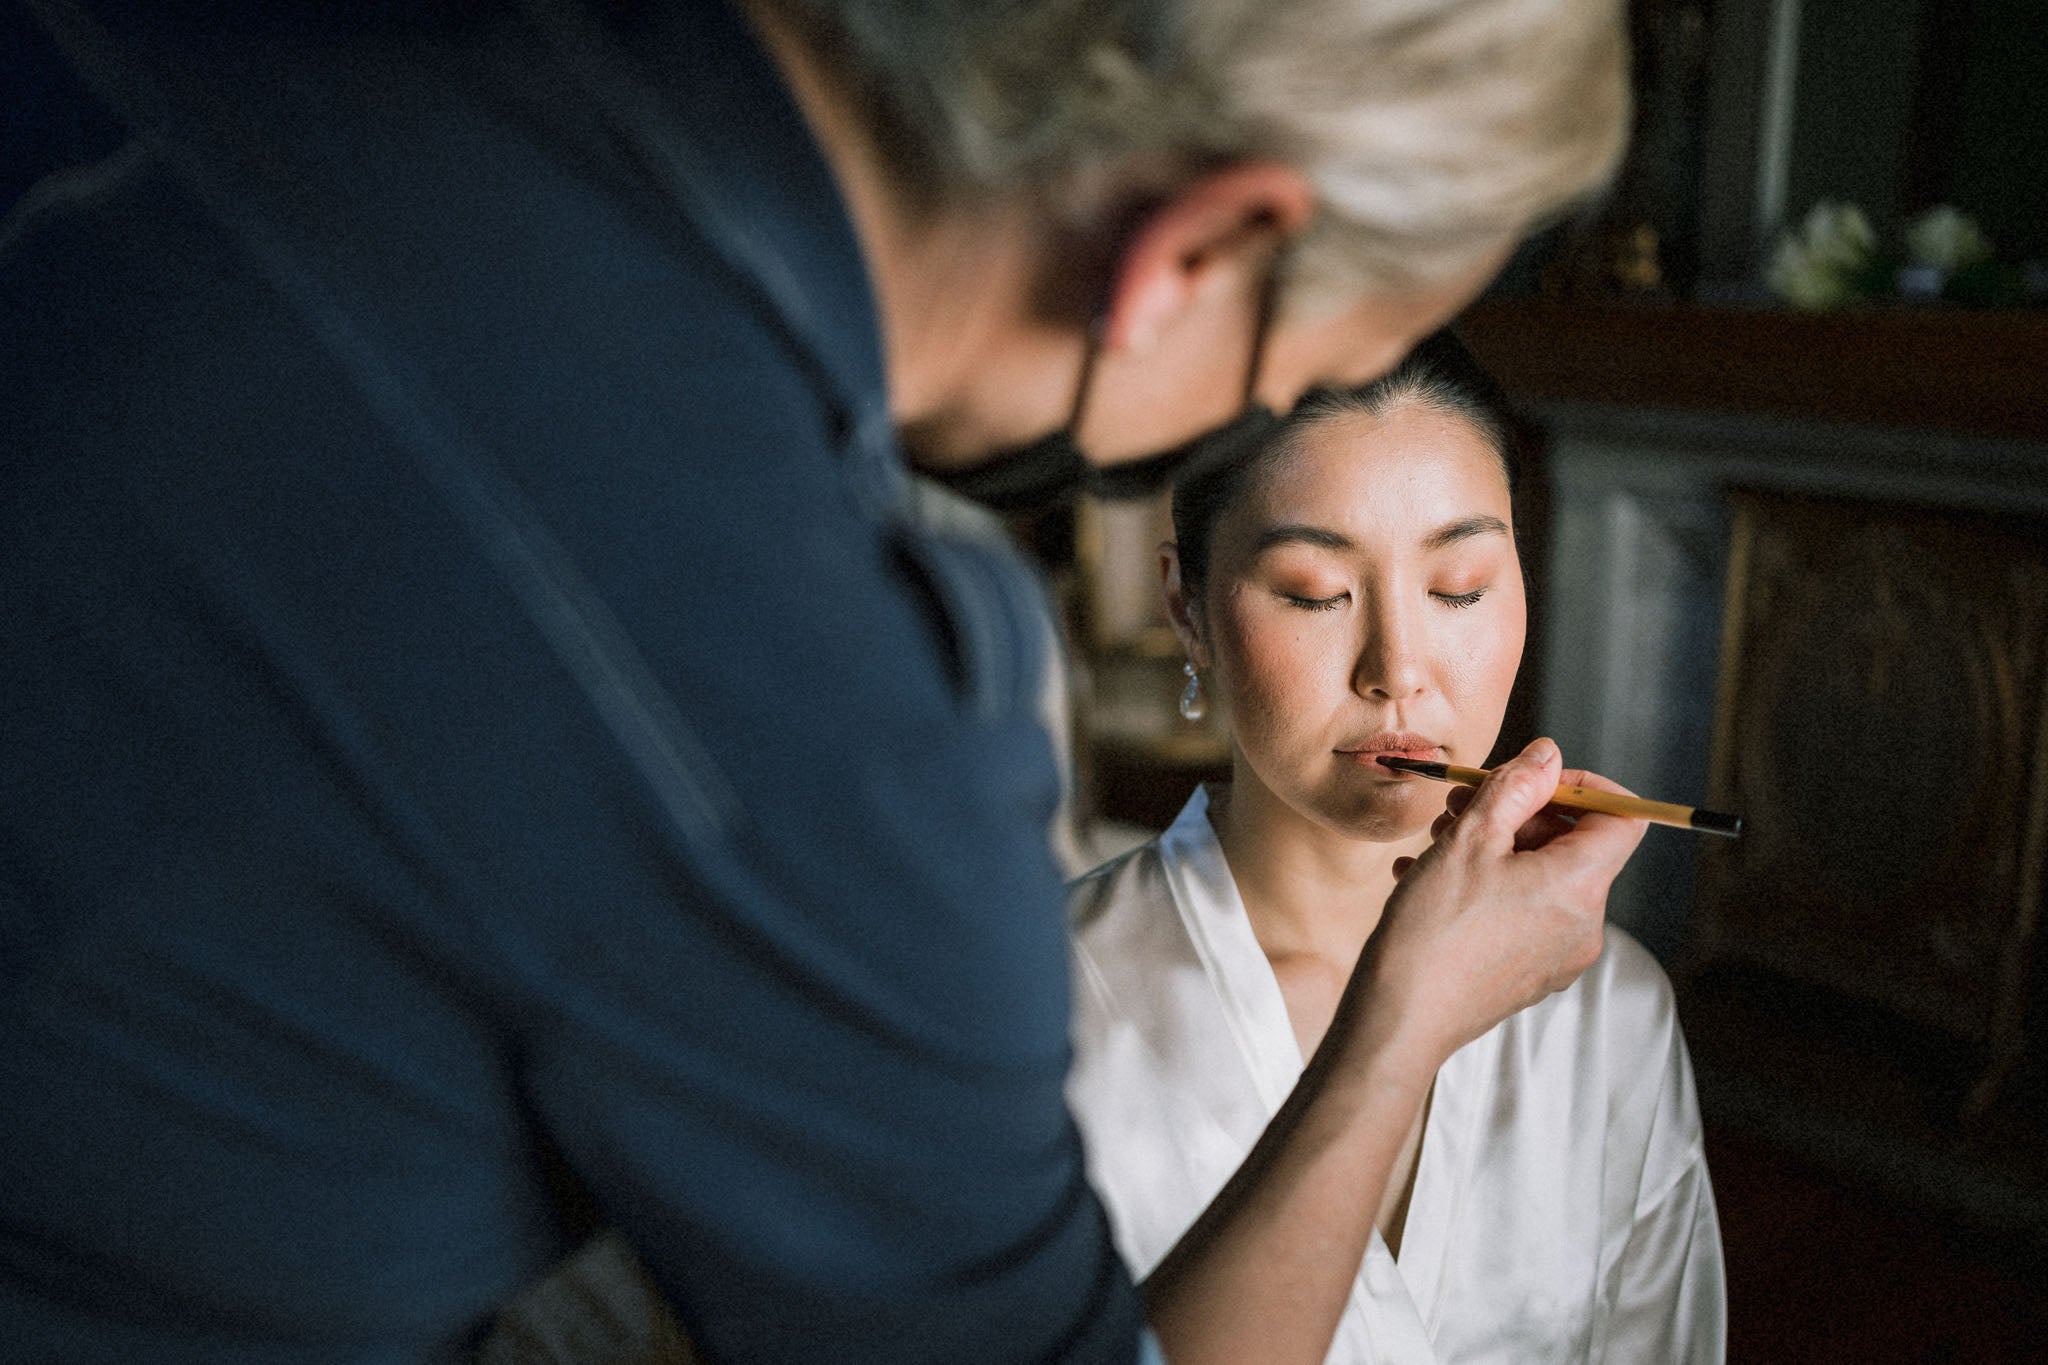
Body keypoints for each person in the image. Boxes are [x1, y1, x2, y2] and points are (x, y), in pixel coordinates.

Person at [1, 2, 1638, 1361]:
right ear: (1195, 248)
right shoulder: (822, 722)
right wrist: (1402, 1027)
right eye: (1304, 377)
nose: (1396, 654)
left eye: (1459, 575)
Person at [1067, 333, 1726, 1362]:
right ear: (1186, 608)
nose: (1397, 670)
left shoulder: (1611, 1009)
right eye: (1313, 592)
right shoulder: (1041, 1014)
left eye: (1458, 586)